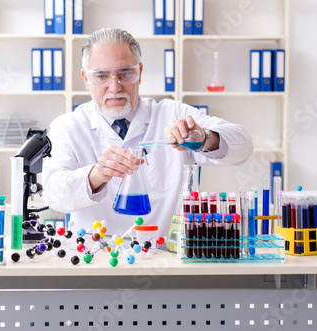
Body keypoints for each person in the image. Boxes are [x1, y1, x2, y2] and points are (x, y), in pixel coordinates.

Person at [43, 28, 253, 236]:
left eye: (125, 73)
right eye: (101, 76)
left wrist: (204, 139)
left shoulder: (172, 113)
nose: (115, 87)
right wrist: (96, 175)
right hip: (95, 259)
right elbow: (53, 194)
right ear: (86, 79)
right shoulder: (68, 126)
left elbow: (243, 146)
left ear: (139, 73)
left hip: (161, 259)